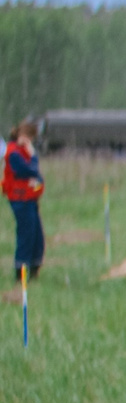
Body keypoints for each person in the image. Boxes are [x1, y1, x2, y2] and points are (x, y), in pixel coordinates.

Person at [5, 119, 42, 283]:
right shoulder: (13, 153)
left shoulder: (22, 151)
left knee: (36, 236)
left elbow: (36, 174)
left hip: (30, 199)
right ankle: (21, 273)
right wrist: (33, 157)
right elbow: (29, 171)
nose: (30, 141)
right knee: (26, 235)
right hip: (20, 200)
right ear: (22, 135)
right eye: (29, 137)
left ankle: (34, 270)